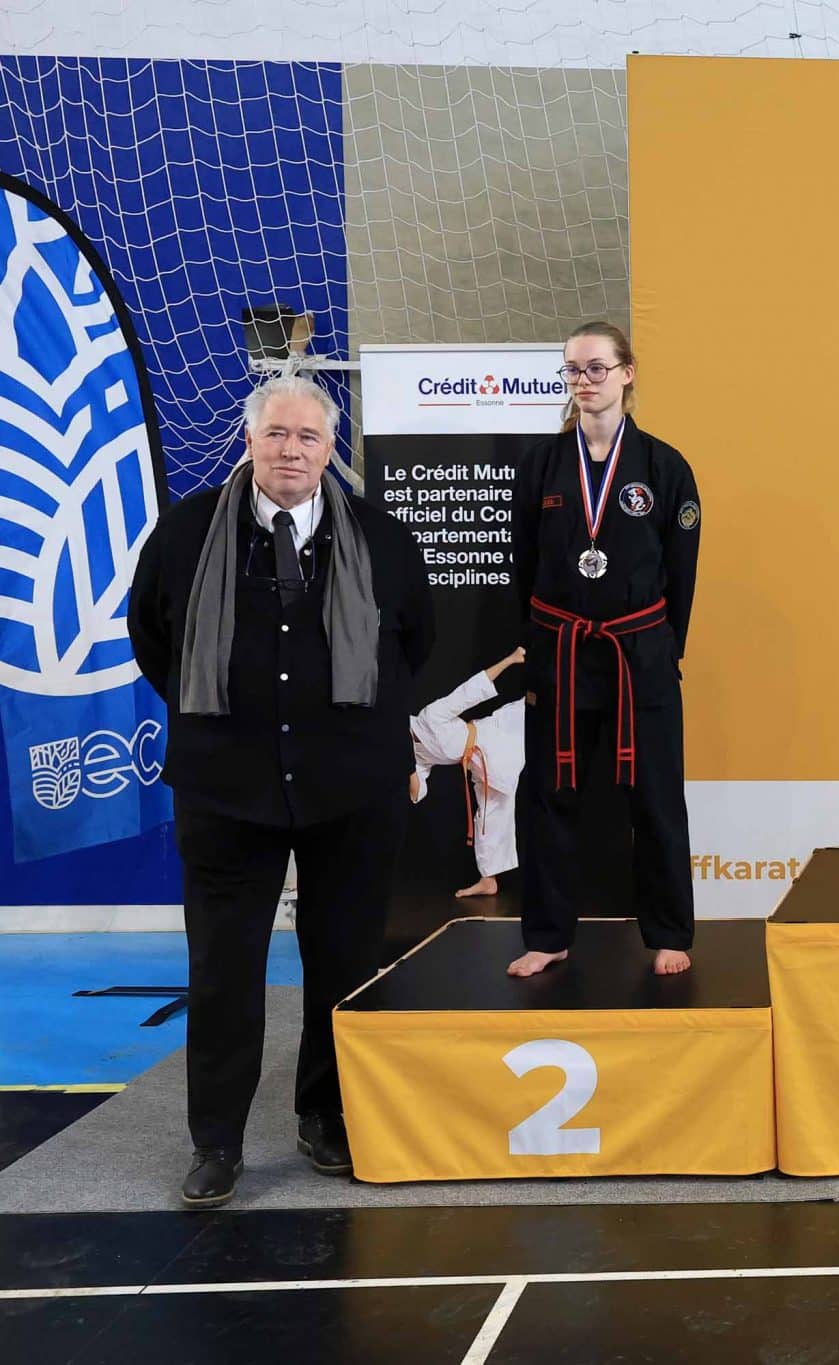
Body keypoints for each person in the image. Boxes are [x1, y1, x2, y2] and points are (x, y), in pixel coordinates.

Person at [128, 374, 433, 1207]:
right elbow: (152, 635)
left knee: (346, 961)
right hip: (226, 790)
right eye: (276, 434)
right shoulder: (187, 531)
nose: (291, 450)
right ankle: (216, 1140)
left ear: (331, 449)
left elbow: (415, 642)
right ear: (249, 442)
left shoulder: (381, 537)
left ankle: (326, 1114)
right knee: (223, 969)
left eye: (307, 436)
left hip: (352, 788)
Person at [507, 321, 701, 977]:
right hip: (562, 655)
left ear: (627, 372)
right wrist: (537, 646)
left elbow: (682, 573)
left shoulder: (665, 467)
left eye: (596, 368)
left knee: (656, 797)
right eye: (573, 369)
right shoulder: (540, 465)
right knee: (549, 796)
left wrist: (661, 649)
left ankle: (669, 932)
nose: (584, 381)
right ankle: (547, 934)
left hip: (637, 655)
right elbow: (521, 567)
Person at [408, 647, 526, 897]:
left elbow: (469, 692)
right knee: (488, 818)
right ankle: (488, 880)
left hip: (493, 736)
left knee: (538, 712)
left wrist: (510, 659)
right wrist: (405, 763)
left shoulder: (430, 717)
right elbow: (418, 792)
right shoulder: (416, 756)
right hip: (479, 766)